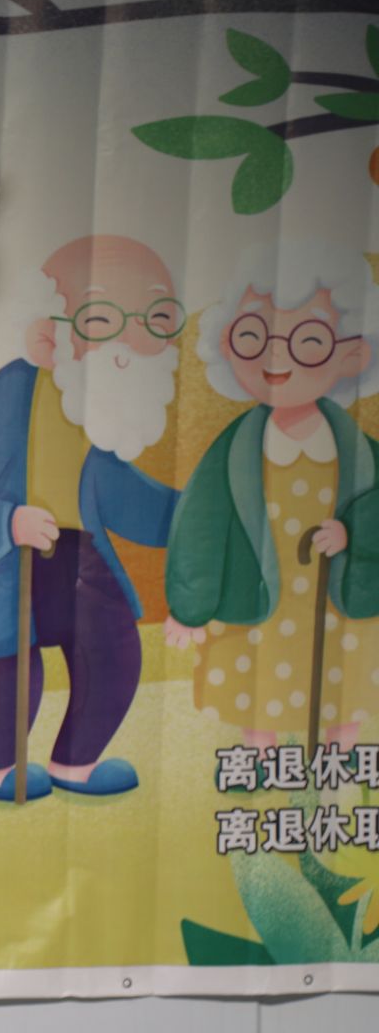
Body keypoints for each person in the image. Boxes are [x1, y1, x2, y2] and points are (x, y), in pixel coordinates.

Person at [0, 235, 183, 802]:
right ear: (45, 333)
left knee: (113, 650)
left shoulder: (96, 413)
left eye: (154, 320)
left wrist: (197, 517)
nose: (131, 341)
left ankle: (77, 764)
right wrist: (6, 523)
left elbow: (124, 495)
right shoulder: (6, 400)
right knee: (12, 677)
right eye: (103, 320)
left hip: (77, 559)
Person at [166, 241, 379, 748]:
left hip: (340, 603)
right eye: (253, 336)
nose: (276, 355)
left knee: (345, 686)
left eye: (309, 340)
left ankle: (340, 757)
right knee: (256, 689)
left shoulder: (360, 450)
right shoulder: (234, 448)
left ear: (352, 353)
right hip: (258, 599)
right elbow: (200, 526)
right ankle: (258, 757)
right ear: (227, 342)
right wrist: (190, 607)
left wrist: (352, 531)